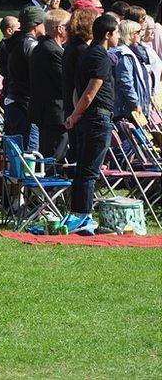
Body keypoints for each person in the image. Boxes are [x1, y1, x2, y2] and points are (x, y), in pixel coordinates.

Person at [63, 15, 118, 234]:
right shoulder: (100, 56)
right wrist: (76, 115)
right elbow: (89, 93)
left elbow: (78, 90)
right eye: (117, 33)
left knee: (83, 168)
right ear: (108, 34)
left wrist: (76, 115)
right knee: (89, 170)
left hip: (87, 117)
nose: (118, 37)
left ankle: (78, 213)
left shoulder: (86, 53)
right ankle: (83, 217)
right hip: (97, 117)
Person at [28, 9, 71, 164]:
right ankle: (49, 185)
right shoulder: (51, 50)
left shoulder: (46, 47)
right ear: (59, 28)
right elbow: (63, 81)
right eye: (69, 26)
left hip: (50, 111)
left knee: (55, 150)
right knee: (55, 154)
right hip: (54, 112)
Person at [4, 6, 45, 152]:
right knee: (29, 154)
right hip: (25, 105)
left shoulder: (16, 41)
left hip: (15, 102)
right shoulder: (30, 44)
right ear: (36, 25)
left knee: (16, 155)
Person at [62, 7, 98, 162]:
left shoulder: (71, 46)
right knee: (82, 153)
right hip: (78, 106)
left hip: (72, 104)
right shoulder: (82, 50)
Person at [109, 20, 152, 121]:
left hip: (132, 108)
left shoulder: (129, 52)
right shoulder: (123, 54)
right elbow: (125, 81)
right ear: (129, 34)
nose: (140, 35)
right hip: (127, 110)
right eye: (137, 32)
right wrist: (135, 103)